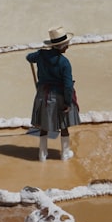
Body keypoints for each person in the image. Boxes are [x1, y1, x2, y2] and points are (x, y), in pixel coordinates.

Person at [26, 26, 80, 161]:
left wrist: (42, 53)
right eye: (66, 44)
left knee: (44, 125)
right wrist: (68, 102)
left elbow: (28, 57)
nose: (67, 46)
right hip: (59, 95)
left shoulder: (41, 55)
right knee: (64, 125)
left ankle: (42, 155)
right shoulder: (64, 63)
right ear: (60, 46)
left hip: (43, 93)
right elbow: (67, 85)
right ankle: (65, 154)